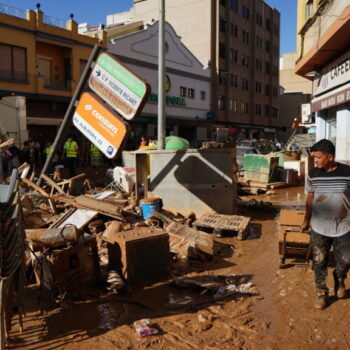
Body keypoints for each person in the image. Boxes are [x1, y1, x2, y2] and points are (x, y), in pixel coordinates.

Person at [301, 139, 350, 310]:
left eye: (318, 158)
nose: (315, 162)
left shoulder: (347, 172)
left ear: (330, 157)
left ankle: (339, 276)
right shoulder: (313, 174)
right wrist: (306, 220)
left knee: (345, 259)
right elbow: (310, 197)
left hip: (344, 225)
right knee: (320, 260)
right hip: (319, 226)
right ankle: (321, 292)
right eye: (314, 158)